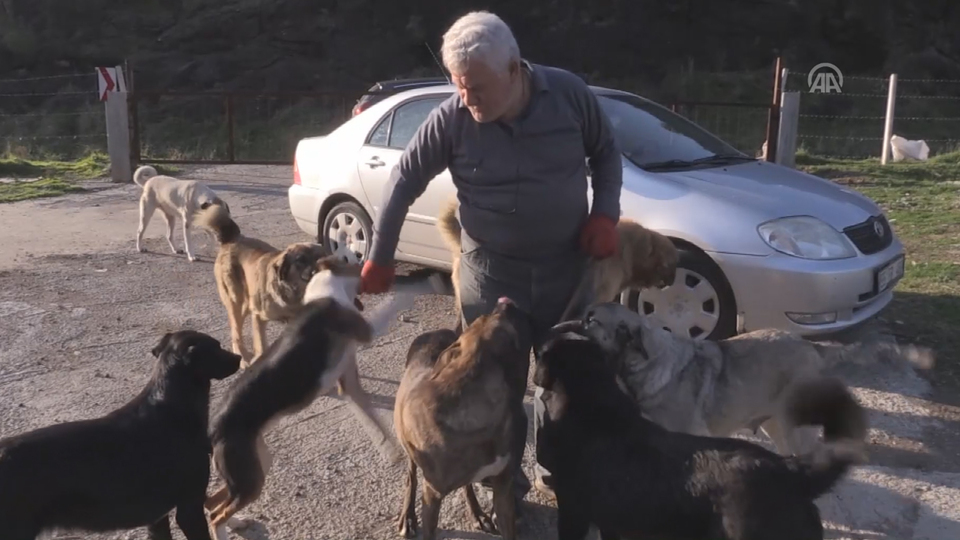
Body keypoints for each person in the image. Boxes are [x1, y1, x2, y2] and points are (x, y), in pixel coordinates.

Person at [359, 10, 623, 506]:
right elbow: (402, 183)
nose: (467, 99)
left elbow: (607, 153)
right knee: (490, 382)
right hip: (489, 272)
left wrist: (605, 214)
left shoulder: (568, 96)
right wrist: (380, 256)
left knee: (564, 380)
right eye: (459, 86)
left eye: (476, 87)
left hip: (565, 271)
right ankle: (505, 484)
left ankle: (557, 470)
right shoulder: (453, 119)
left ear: (513, 69)